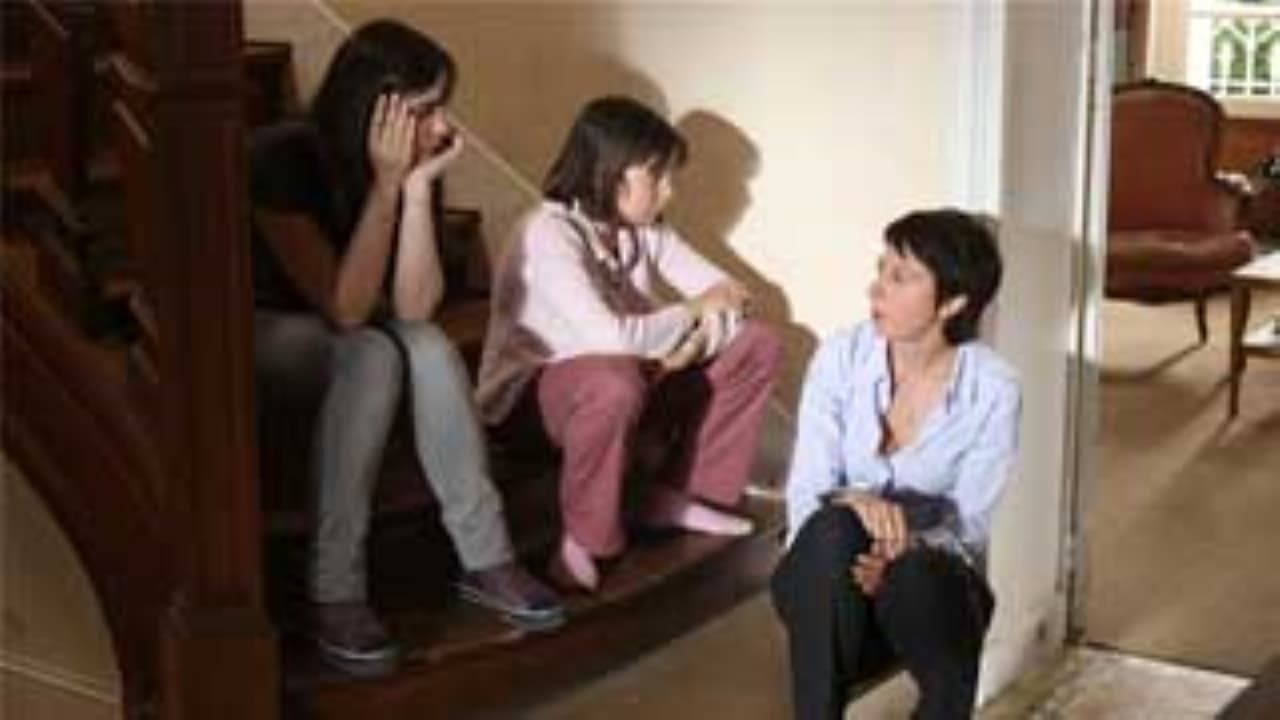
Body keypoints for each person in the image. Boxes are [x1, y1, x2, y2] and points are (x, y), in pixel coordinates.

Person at [249, 20, 563, 676]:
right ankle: (334, 587)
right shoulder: (284, 157)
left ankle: (487, 557)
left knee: (426, 344)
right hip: (266, 331)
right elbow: (344, 308)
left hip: (361, 335)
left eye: (442, 106)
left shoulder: (413, 166)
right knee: (370, 351)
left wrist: (416, 192)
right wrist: (388, 188)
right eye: (425, 109)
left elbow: (416, 309)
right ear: (373, 105)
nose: (443, 126)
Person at [476, 96, 783, 592]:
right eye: (656, 176)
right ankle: (585, 537)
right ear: (609, 171)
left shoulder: (643, 232)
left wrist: (684, 350)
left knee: (757, 344)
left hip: (628, 376)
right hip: (528, 406)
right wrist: (689, 316)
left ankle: (677, 494)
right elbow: (612, 338)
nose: (668, 191)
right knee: (614, 380)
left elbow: (733, 299)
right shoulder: (548, 233)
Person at [770, 209, 1021, 719]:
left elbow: (969, 526)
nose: (875, 288)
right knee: (832, 530)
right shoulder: (841, 357)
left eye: (900, 276)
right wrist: (854, 502)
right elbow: (806, 495)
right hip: (829, 590)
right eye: (880, 269)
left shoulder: (994, 389)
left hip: (925, 596)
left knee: (920, 574)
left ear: (952, 302)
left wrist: (903, 550)